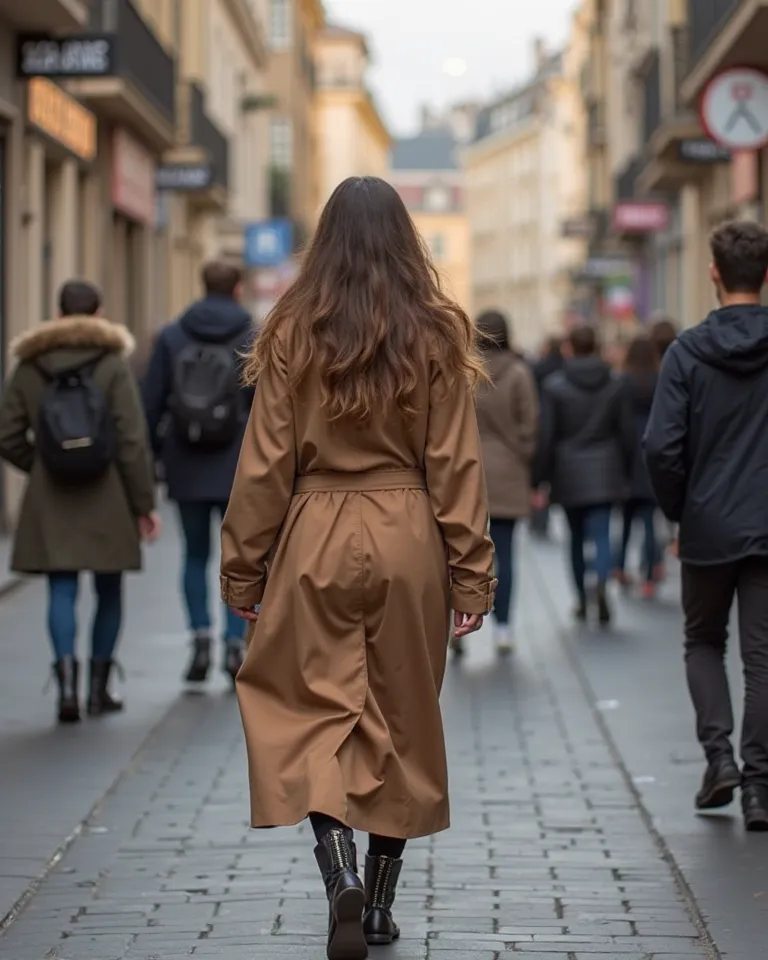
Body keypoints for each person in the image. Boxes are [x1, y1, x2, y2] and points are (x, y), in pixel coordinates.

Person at [219, 176, 496, 960]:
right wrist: (471, 576)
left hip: (313, 530)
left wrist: (243, 572)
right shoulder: (437, 333)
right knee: (403, 716)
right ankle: (378, 905)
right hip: (409, 533)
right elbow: (457, 467)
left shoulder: (293, 331)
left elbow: (264, 466)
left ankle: (334, 867)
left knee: (308, 709)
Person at [645, 220, 768, 831]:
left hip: (709, 524)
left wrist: (680, 509)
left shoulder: (687, 352)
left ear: (714, 273)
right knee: (763, 656)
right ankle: (760, 787)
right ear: (765, 276)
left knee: (703, 642)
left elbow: (661, 447)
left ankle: (720, 760)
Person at [0, 280, 159, 724]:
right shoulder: (112, 363)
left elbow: (7, 434)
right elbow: (131, 440)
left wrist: (42, 465)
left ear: (57, 313)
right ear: (98, 313)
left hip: (51, 496)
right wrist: (144, 503)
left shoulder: (30, 364)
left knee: (61, 587)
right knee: (109, 589)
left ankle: (65, 688)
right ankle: (98, 688)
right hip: (107, 493)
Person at [143, 262, 254, 688]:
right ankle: (233, 642)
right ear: (238, 289)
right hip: (237, 465)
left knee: (193, 555)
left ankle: (200, 639)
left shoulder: (173, 336)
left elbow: (151, 402)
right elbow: (267, 406)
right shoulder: (253, 336)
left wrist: (155, 459)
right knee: (236, 558)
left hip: (185, 460)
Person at [535, 324, 634, 626]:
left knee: (575, 538)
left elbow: (547, 435)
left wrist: (541, 477)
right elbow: (626, 432)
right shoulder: (615, 383)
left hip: (569, 470)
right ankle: (601, 581)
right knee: (602, 533)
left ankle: (580, 597)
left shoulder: (555, 386)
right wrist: (627, 470)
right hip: (605, 467)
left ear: (569, 348)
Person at [470, 309, 538, 656]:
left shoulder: (466, 371)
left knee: (460, 553)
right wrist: (523, 456)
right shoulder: (519, 373)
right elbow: (530, 424)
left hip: (469, 474)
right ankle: (504, 629)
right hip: (510, 472)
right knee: (506, 554)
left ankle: (457, 630)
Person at [613, 334, 660, 598]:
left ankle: (619, 567)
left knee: (627, 520)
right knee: (650, 521)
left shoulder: (623, 382)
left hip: (627, 457)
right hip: (651, 455)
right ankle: (650, 576)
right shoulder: (659, 380)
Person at [529, 335, 563, 538]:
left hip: (545, 427)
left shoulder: (537, 370)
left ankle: (540, 519)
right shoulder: (565, 371)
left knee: (540, 480)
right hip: (565, 437)